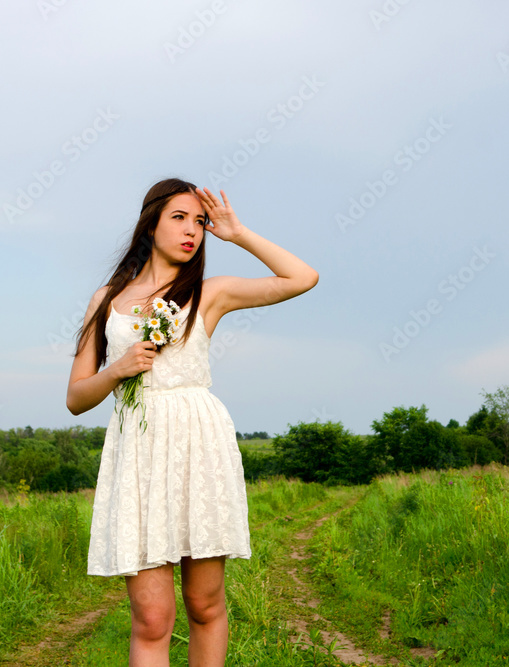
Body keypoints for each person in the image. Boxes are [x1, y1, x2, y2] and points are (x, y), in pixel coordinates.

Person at [65, 177, 318, 666]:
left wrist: (238, 233)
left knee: (205, 604)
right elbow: (76, 398)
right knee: (153, 618)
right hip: (138, 452)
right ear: (150, 223)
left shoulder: (210, 293)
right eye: (179, 218)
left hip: (198, 446)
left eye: (199, 222)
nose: (193, 231)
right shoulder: (106, 300)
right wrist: (116, 370)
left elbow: (301, 277)